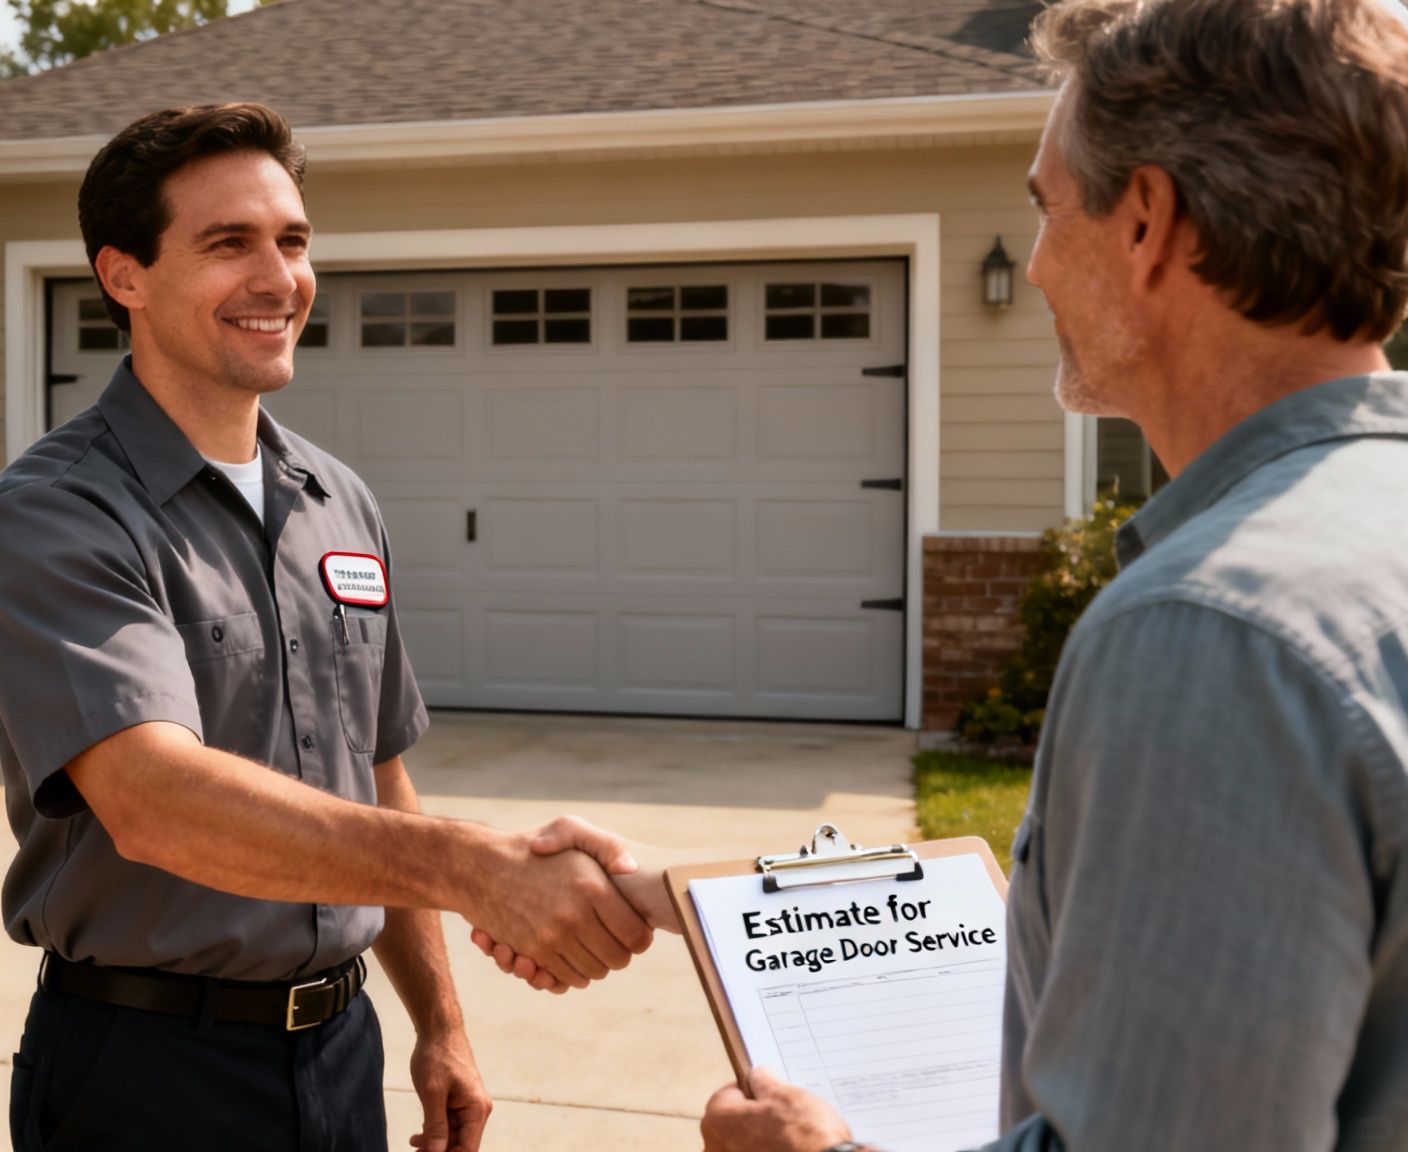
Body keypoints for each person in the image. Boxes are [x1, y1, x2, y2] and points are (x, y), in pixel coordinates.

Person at [480, 1, 1408, 1148]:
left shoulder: (1208, 630)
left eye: (1043, 207)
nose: (1030, 264)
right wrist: (690, 898)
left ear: (1147, 224)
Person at [0, 102, 657, 1152]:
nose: (277, 278)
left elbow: (374, 774)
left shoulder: (336, 499)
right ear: (123, 276)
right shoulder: (56, 514)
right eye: (226, 243)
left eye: (291, 240)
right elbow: (154, 802)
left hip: (339, 1054)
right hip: (144, 1070)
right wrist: (476, 870)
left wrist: (441, 1025)